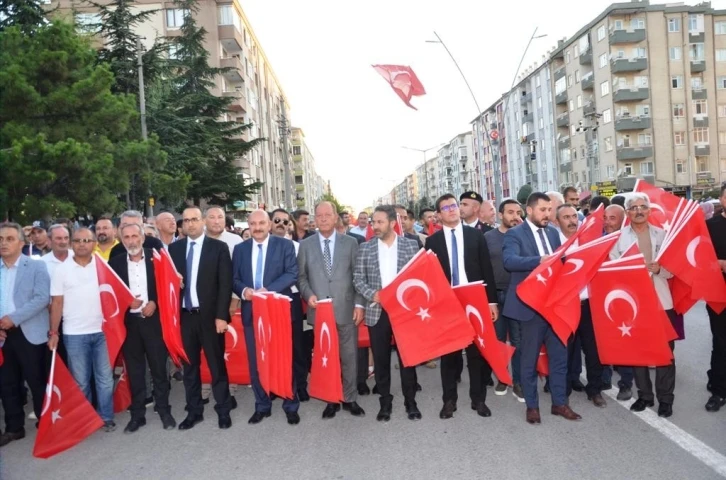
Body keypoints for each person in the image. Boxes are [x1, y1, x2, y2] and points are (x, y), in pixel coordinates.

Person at [503, 192, 582, 425]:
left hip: (554, 308)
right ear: (529, 211)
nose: (548, 214)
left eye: (550, 210)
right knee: (528, 360)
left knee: (559, 359)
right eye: (543, 210)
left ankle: (559, 403)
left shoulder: (553, 233)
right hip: (530, 309)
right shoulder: (515, 234)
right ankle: (532, 406)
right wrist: (538, 260)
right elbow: (509, 261)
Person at [425, 194, 499, 419]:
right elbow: (430, 278)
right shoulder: (433, 241)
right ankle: (449, 401)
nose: (451, 210)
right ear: (438, 215)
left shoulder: (475, 236)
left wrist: (491, 302)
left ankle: (478, 400)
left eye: (454, 205)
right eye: (445, 207)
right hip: (447, 302)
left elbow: (487, 269)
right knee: (449, 355)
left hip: (474, 300)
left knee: (476, 353)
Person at [609, 193, 676, 418]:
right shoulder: (618, 239)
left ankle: (666, 400)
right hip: (633, 304)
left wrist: (660, 270)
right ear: (627, 213)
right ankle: (645, 396)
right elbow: (613, 271)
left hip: (661, 301)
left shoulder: (663, 235)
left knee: (665, 353)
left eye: (643, 207)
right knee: (639, 352)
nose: (639, 211)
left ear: (649, 211)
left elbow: (674, 268)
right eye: (634, 207)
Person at [299, 202, 367, 419]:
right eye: (319, 215)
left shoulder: (350, 243)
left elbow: (358, 276)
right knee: (325, 357)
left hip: (346, 309)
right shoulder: (306, 245)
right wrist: (308, 294)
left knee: (348, 356)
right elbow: (301, 277)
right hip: (319, 312)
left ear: (336, 217)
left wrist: (359, 304)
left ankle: (350, 398)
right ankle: (331, 399)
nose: (324, 218)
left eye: (328, 214)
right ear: (315, 219)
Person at [232, 210, 300, 425]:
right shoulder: (240, 249)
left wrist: (266, 291)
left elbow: (291, 274)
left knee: (283, 358)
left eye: (262, 222)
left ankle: (290, 404)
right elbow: (234, 278)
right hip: (252, 312)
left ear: (269, 224)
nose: (257, 227)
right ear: (249, 226)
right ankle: (262, 405)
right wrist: (245, 292)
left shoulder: (285, 245)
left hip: (277, 310)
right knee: (256, 361)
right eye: (253, 223)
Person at [353, 205, 421, 421]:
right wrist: (372, 295)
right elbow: (357, 279)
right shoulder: (365, 248)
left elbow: (419, 276)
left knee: (407, 359)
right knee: (381, 359)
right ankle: (385, 402)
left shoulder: (410, 246)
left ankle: (411, 402)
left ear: (393, 223)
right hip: (377, 311)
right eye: (373, 222)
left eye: (380, 222)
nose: (375, 226)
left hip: (404, 312)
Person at [169, 207, 234, 430]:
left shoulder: (218, 248)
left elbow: (225, 285)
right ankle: (194, 411)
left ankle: (223, 409)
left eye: (194, 219)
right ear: (182, 225)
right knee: (190, 369)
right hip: (185, 318)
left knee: (217, 367)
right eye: (186, 220)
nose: (190, 224)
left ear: (203, 221)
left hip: (210, 318)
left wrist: (221, 316)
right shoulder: (174, 250)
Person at [109, 224, 175, 433]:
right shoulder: (115, 263)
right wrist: (126, 302)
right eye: (126, 237)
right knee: (135, 372)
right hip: (129, 325)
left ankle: (164, 410)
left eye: (135, 236)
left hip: (154, 322)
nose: (131, 241)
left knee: (159, 369)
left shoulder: (158, 259)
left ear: (143, 238)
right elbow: (110, 294)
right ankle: (137, 415)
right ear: (122, 240)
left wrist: (155, 302)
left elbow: (168, 287)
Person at [48, 228, 116, 432]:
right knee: (81, 382)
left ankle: (106, 416)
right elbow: (57, 303)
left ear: (94, 242)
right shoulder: (61, 270)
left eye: (87, 240)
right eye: (77, 240)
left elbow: (116, 292)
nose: (82, 244)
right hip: (74, 334)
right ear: (71, 244)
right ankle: (85, 419)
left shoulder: (103, 265)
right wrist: (53, 333)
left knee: (105, 378)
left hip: (102, 331)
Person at [0, 222, 51, 447]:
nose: (4, 243)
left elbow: (42, 298)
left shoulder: (36, 267)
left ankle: (45, 423)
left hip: (29, 332)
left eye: (10, 239)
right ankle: (14, 428)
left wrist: (14, 318)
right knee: (7, 383)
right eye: (1, 239)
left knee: (36, 381)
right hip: (3, 335)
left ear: (21, 243)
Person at [484, 199, 524, 400]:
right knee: (499, 340)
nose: (515, 216)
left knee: (517, 340)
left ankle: (518, 381)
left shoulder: (525, 235)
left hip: (518, 294)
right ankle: (502, 377)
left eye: (518, 212)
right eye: (510, 212)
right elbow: (483, 268)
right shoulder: (488, 237)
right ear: (500, 215)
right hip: (495, 296)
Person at [269, 208, 309, 401]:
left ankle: (300, 385)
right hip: (267, 302)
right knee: (272, 346)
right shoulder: (259, 245)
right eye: (277, 220)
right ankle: (276, 385)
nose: (281, 224)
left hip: (291, 301)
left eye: (286, 222)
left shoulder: (297, 247)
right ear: (270, 222)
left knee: (297, 347)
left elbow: (300, 275)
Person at [705, 185, 726, 412]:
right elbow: (699, 258)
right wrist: (717, 264)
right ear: (721, 200)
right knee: (720, 343)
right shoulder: (709, 227)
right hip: (718, 294)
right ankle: (719, 391)